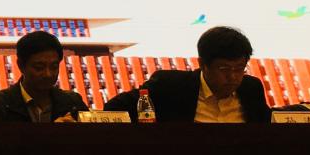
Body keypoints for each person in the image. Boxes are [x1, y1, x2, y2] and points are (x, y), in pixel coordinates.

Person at [104, 26, 271, 123]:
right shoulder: (170, 86)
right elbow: (114, 108)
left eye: (239, 68)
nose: (233, 77)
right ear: (203, 64)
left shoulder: (251, 89)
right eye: (224, 69)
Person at [0, 30, 87, 123]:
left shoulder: (73, 102)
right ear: (21, 66)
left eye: (54, 67)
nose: (48, 74)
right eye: (39, 67)